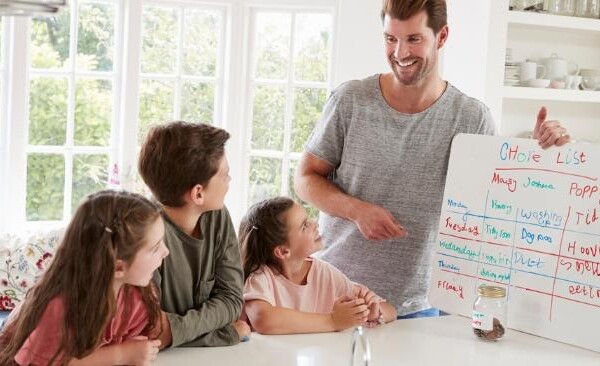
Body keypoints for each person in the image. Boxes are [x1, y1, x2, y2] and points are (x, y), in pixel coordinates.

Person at [294, 0, 571, 319]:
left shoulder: (471, 118)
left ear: (441, 37)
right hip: (335, 295)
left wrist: (537, 156)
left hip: (417, 306)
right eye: (390, 39)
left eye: (413, 39)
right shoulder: (350, 100)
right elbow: (305, 178)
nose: (399, 53)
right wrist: (357, 211)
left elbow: (496, 206)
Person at [0, 190, 169, 365]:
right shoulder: (58, 306)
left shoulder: (137, 298)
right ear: (118, 266)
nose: (166, 252)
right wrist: (121, 354)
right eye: (155, 248)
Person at [138, 121, 250, 348]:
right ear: (198, 193)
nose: (229, 181)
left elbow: (231, 300)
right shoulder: (142, 234)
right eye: (225, 175)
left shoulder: (217, 216)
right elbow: (150, 331)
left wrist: (175, 331)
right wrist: (224, 334)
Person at [239, 197, 397, 334]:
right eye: (304, 226)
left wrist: (371, 311)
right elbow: (264, 320)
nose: (315, 224)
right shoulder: (259, 277)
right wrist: (333, 321)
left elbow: (391, 311)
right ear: (282, 251)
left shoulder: (324, 273)